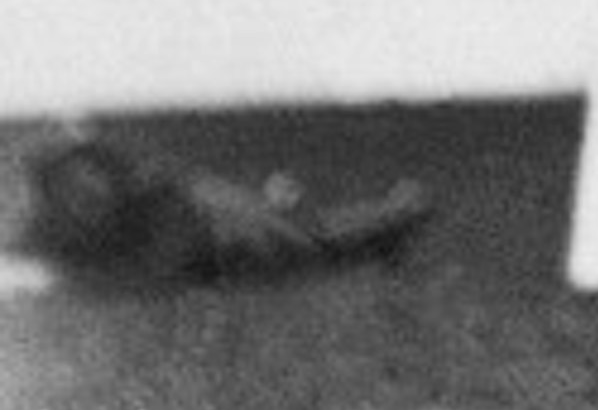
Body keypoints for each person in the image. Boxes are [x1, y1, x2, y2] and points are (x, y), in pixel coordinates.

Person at [13, 124, 430, 285]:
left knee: (309, 244)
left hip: (222, 236)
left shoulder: (161, 201)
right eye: (64, 187)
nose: (81, 194)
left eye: (87, 181)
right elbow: (27, 247)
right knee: (298, 228)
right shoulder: (51, 215)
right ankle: (387, 220)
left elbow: (156, 266)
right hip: (212, 219)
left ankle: (400, 217)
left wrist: (65, 274)